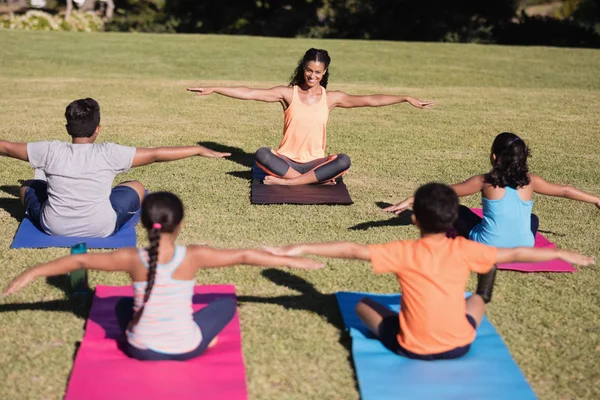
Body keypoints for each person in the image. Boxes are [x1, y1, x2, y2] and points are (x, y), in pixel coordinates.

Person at [264, 183, 593, 360]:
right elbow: (519, 251)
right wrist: (563, 252)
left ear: (415, 219)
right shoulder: (467, 249)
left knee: (362, 304)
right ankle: (482, 293)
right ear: (454, 220)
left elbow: (352, 249)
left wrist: (302, 247)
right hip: (461, 344)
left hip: (412, 346)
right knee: (477, 299)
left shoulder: (405, 252)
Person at [3, 191, 324, 361]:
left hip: (138, 348)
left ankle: (147, 329)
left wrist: (31, 273)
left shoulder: (131, 258)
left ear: (142, 225)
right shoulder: (194, 255)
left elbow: (78, 261)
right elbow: (244, 256)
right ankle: (204, 339)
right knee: (226, 304)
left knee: (118, 306)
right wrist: (295, 264)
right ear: (180, 224)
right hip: (187, 348)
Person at [187, 48, 432, 185]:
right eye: (308, 70)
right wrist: (216, 88)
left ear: (324, 72)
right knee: (262, 154)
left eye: (317, 72)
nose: (311, 76)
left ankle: (291, 183)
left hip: (315, 162)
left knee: (343, 160)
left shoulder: (332, 98)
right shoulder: (288, 94)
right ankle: (310, 181)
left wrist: (405, 97)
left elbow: (370, 100)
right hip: (286, 161)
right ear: (303, 68)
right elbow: (250, 93)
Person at [0, 98, 230, 238]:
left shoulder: (49, 150)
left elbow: (8, 149)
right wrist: (198, 149)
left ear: (67, 128)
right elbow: (156, 154)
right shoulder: (108, 153)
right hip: (101, 227)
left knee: (29, 186)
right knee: (137, 186)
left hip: (54, 227)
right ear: (98, 129)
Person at [385, 132, 600, 248]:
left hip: (487, 245)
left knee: (456, 209)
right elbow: (565, 190)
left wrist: (412, 198)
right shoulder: (531, 180)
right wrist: (596, 199)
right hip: (524, 246)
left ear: (495, 157)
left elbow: (443, 191)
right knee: (532, 219)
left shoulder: (484, 181)